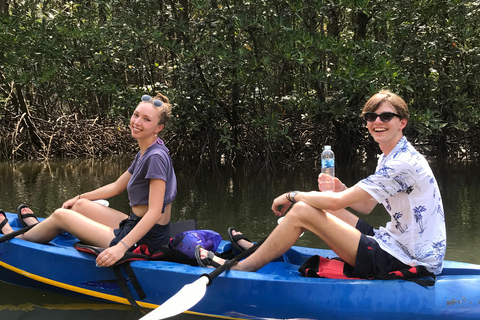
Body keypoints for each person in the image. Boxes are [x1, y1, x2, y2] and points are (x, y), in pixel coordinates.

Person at [197, 90, 446, 278]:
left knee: (305, 208)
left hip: (407, 259)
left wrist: (292, 194)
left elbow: (336, 202)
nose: (377, 121)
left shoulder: (403, 163)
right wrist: (342, 188)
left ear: (402, 122)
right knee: (321, 203)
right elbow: (368, 205)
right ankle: (259, 248)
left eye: (386, 116)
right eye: (372, 116)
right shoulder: (390, 155)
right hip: (394, 243)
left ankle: (245, 266)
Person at [0, 93, 177, 268]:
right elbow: (116, 187)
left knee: (61, 215)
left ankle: (15, 238)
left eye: (146, 119)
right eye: (136, 115)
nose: (137, 122)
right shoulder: (147, 151)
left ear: (158, 128)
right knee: (80, 206)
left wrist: (121, 247)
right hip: (135, 224)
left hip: (144, 241)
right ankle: (41, 229)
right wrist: (78, 197)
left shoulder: (156, 157)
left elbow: (154, 212)